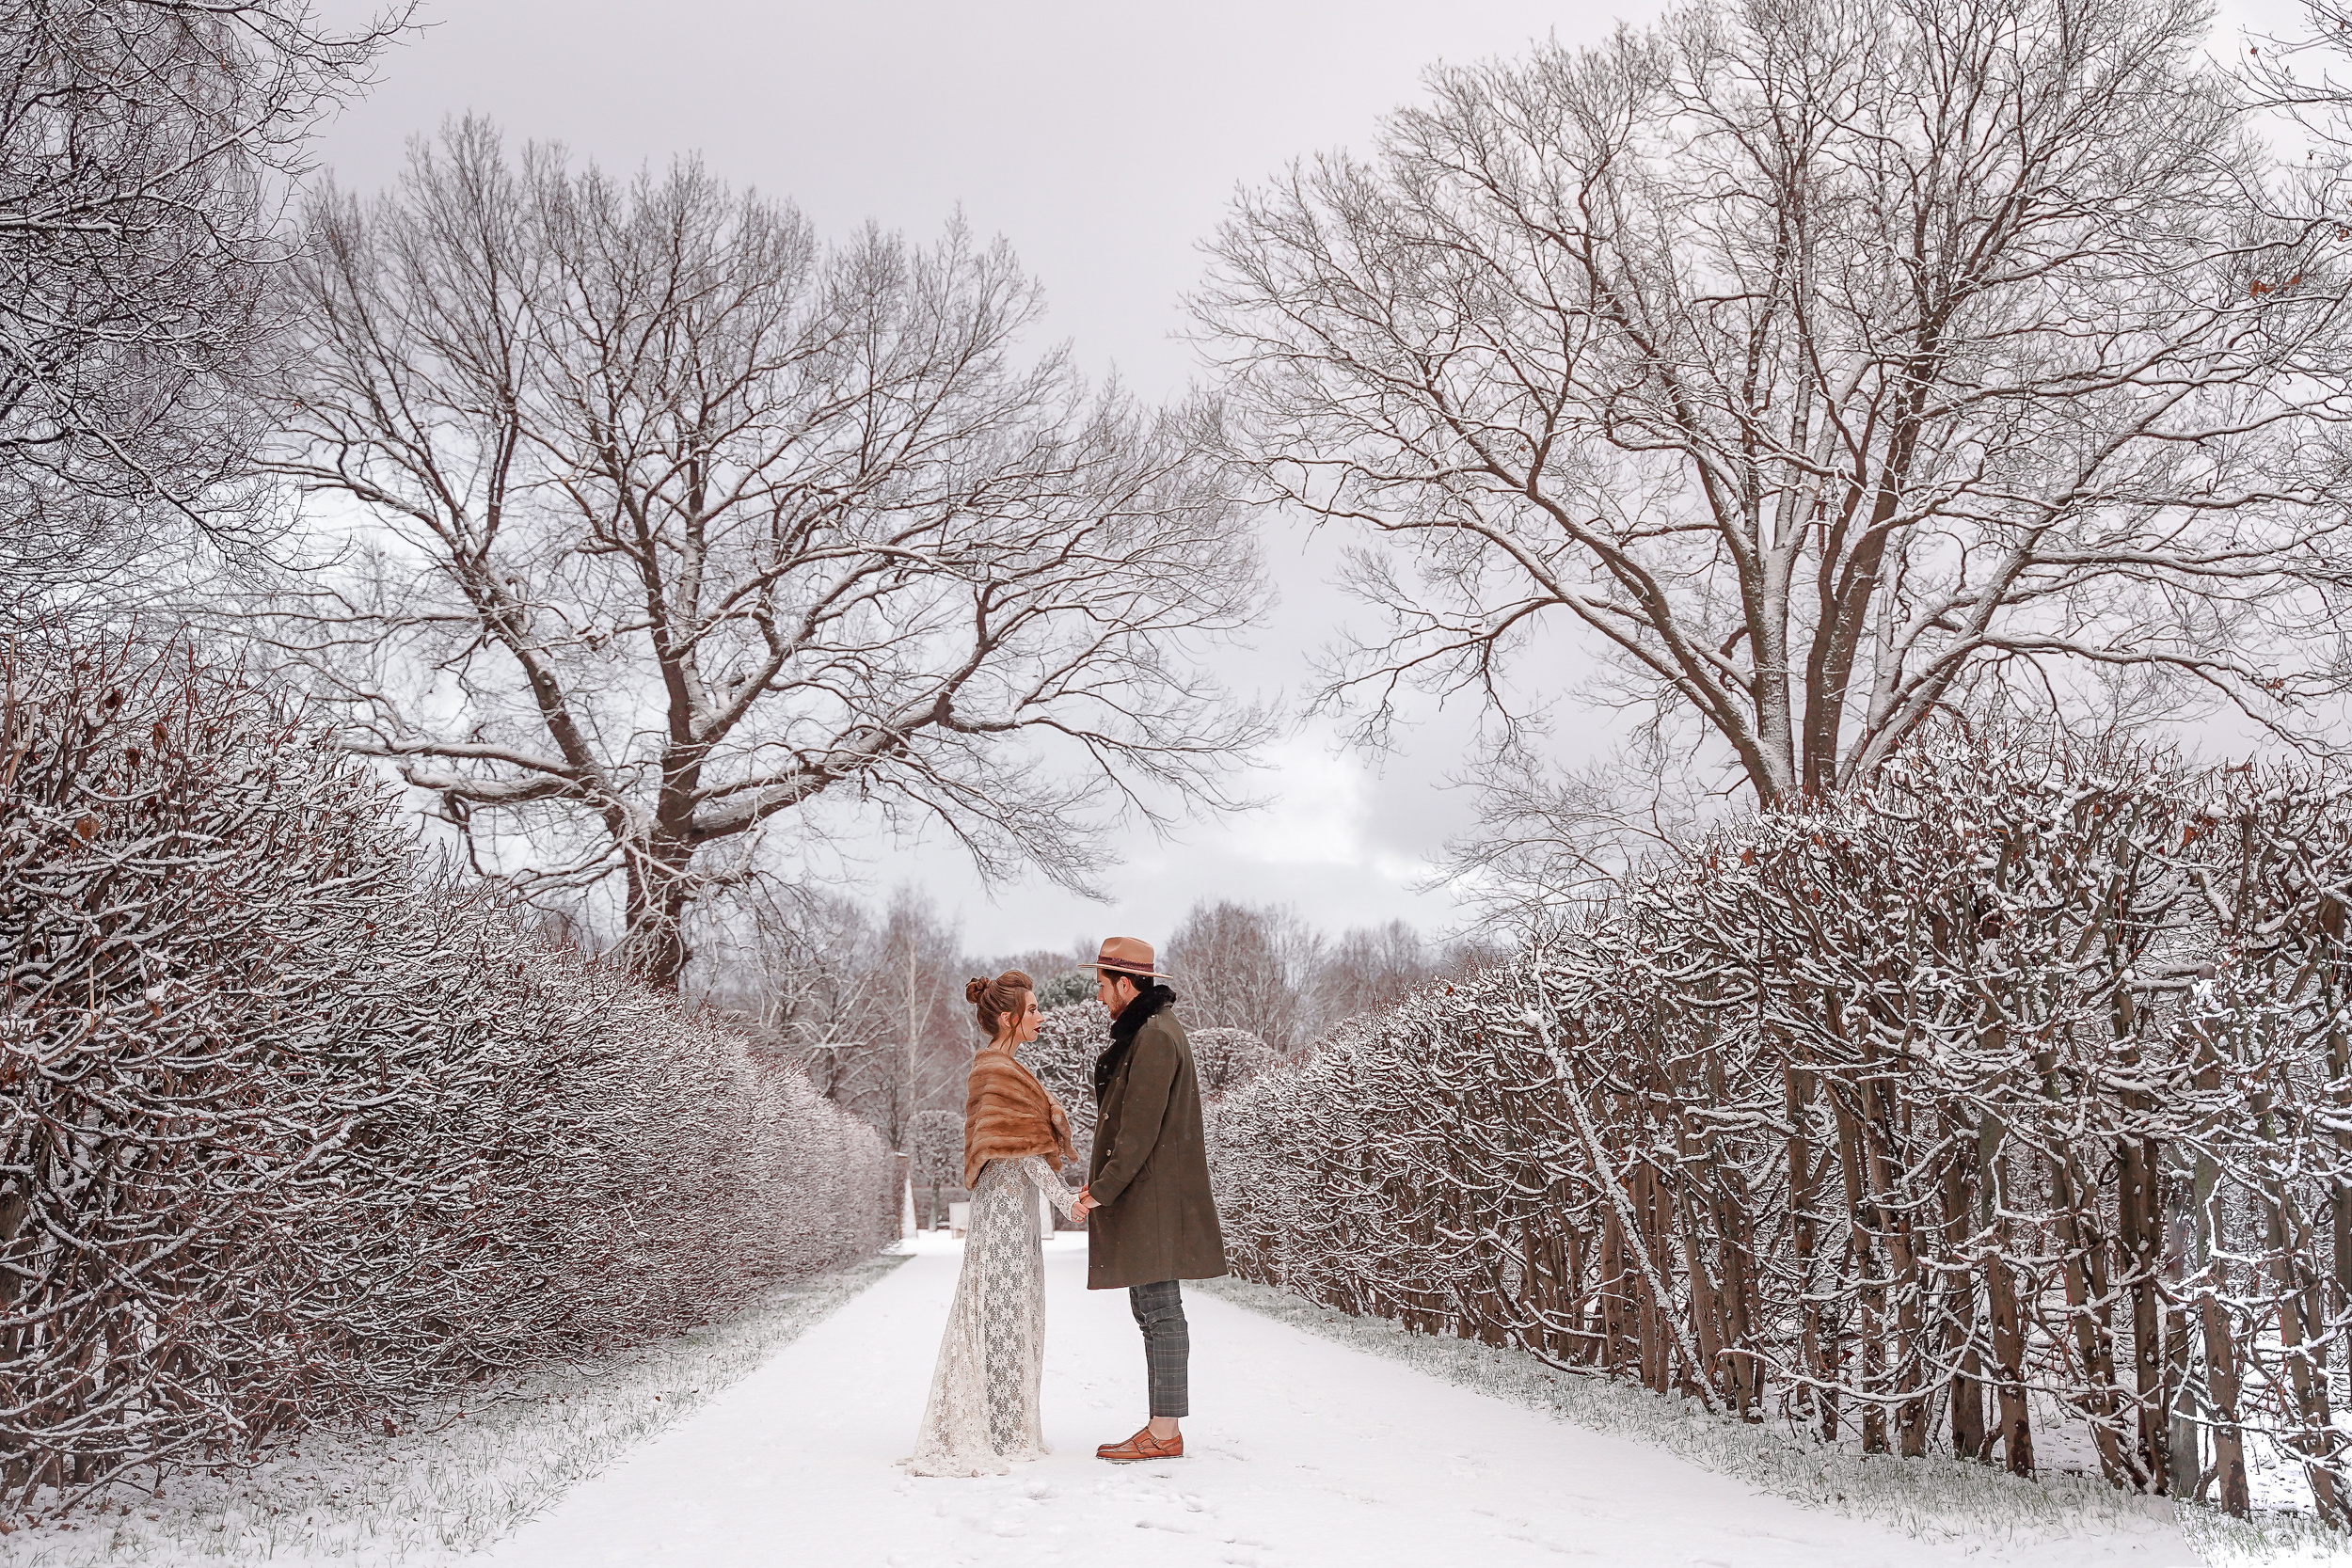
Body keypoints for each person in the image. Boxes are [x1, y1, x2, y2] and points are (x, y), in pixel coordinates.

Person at [906, 972, 1082, 1476]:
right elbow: (1021, 1150)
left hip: (1015, 1208)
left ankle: (1009, 1426)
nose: (1041, 1016)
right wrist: (1066, 1201)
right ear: (1008, 1018)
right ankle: (998, 1430)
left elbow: (1026, 1147)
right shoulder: (996, 1070)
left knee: (1016, 1311)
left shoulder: (1006, 1067)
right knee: (1002, 1312)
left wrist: (1056, 1198)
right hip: (1002, 1210)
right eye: (1033, 1009)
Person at [1073, 936, 1228, 1463]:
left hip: (1154, 1197)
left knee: (1161, 1311)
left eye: (1101, 985)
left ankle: (1164, 1433)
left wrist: (1101, 1191)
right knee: (1151, 1309)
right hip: (1149, 1195)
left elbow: (1138, 1132)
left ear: (1125, 984)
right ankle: (1160, 1428)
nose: (1098, 996)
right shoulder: (1148, 1031)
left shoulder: (1156, 1036)